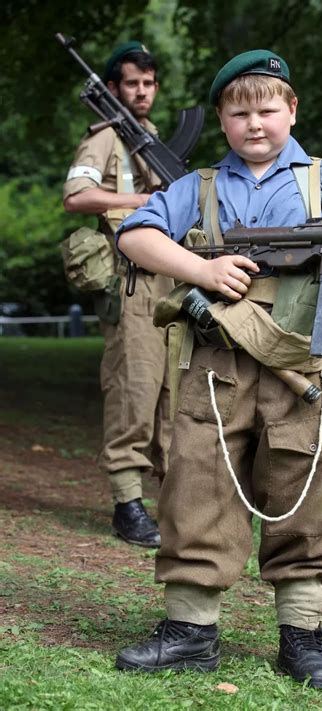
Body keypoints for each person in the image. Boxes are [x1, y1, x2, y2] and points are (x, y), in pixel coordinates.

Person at [113, 50, 322, 688]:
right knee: (196, 487)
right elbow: (135, 235)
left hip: (304, 363)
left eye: (269, 109)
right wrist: (204, 270)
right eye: (239, 113)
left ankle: (303, 634)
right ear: (221, 119)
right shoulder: (200, 187)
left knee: (306, 492)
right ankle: (190, 631)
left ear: (292, 110)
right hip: (216, 366)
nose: (256, 125)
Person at [63, 42, 173, 548]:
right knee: (134, 389)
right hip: (130, 283)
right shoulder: (106, 139)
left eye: (149, 83)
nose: (142, 92)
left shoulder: (149, 138)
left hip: (170, 278)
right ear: (113, 88)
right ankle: (127, 504)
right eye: (132, 83)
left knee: (173, 396)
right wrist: (139, 200)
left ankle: (177, 500)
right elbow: (76, 197)